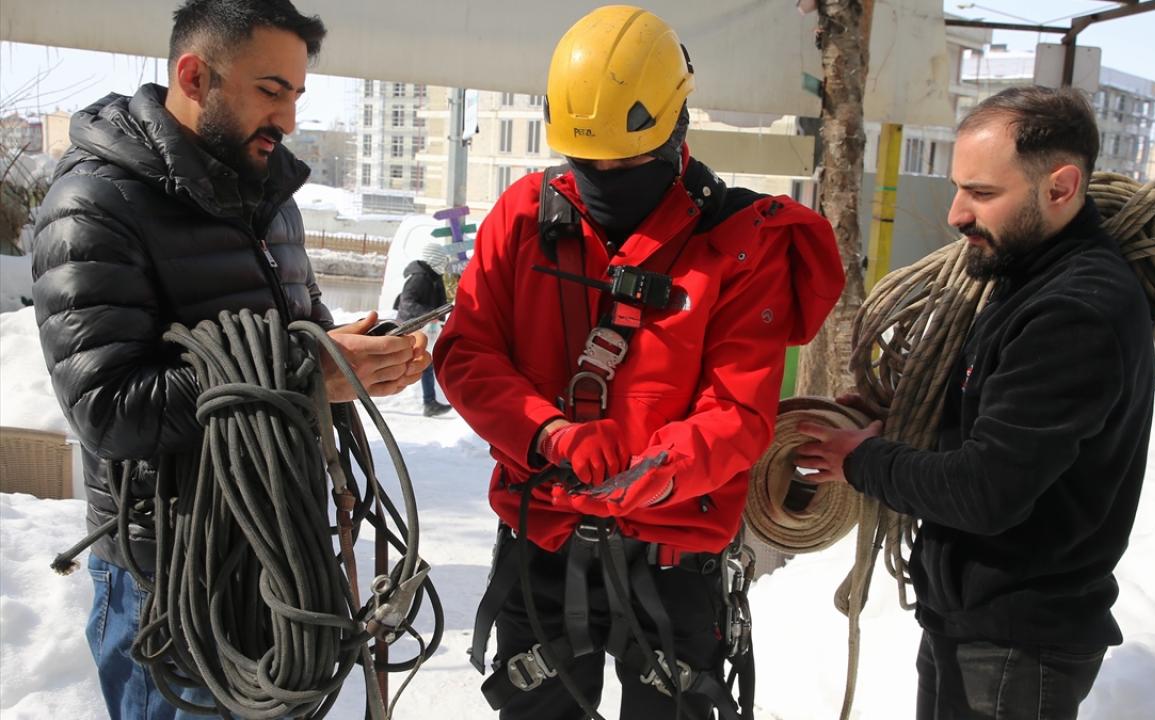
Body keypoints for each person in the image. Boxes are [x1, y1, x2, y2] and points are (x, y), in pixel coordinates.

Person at [433, 6, 844, 719]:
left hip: (674, 565)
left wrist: (641, 474)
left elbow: (739, 414)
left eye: (627, 160)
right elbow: (467, 353)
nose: (604, 177)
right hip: (544, 549)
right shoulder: (524, 219)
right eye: (586, 162)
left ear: (677, 125)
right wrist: (549, 435)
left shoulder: (741, 245)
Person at [29, 1, 428, 717]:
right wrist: (308, 374)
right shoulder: (93, 205)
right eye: (271, 91)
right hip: (171, 581)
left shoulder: (271, 199)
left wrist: (358, 355)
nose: (290, 119)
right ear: (194, 76)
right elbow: (109, 409)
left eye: (298, 95)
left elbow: (297, 337)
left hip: (277, 557)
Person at [794, 86, 1155, 720]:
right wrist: (901, 425)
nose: (957, 214)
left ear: (1061, 187)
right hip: (978, 624)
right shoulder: (1024, 280)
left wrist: (866, 459)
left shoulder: (1073, 312)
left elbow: (988, 489)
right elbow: (992, 434)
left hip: (1018, 643)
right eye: (960, 188)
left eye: (983, 194)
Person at [395, 246, 452, 417]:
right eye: (443, 259)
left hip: (425, 326)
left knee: (425, 363)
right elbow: (406, 303)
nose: (445, 263)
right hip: (411, 326)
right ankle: (429, 403)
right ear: (434, 258)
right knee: (405, 362)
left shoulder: (433, 277)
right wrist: (431, 314)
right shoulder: (419, 278)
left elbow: (438, 302)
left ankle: (430, 403)